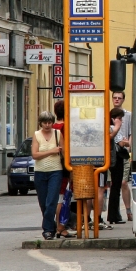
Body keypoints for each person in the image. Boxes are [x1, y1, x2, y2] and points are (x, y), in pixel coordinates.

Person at [31, 111, 63, 240]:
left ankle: (48, 231)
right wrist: (51, 151)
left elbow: (64, 151)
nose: (48, 125)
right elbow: (35, 155)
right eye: (45, 122)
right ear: (41, 123)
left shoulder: (58, 133)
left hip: (56, 171)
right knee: (43, 203)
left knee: (51, 202)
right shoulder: (37, 135)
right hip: (40, 172)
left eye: (50, 122)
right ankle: (52, 226)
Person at [91, 107, 123, 230]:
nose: (120, 121)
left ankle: (88, 218)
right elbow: (108, 138)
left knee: (93, 190)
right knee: (99, 190)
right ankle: (97, 219)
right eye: (119, 119)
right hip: (100, 161)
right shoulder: (105, 127)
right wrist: (117, 127)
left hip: (91, 160)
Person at [52, 100, 74, 238]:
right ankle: (61, 226)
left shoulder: (53, 127)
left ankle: (58, 225)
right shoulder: (66, 128)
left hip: (54, 164)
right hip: (64, 164)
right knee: (64, 196)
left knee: (57, 196)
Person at [111, 91, 133, 222]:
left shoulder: (128, 115)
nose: (117, 100)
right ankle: (112, 212)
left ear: (123, 100)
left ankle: (128, 211)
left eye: (119, 98)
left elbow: (131, 133)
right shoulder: (109, 115)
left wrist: (129, 146)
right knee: (110, 184)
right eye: (115, 98)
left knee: (124, 182)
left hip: (124, 152)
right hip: (113, 153)